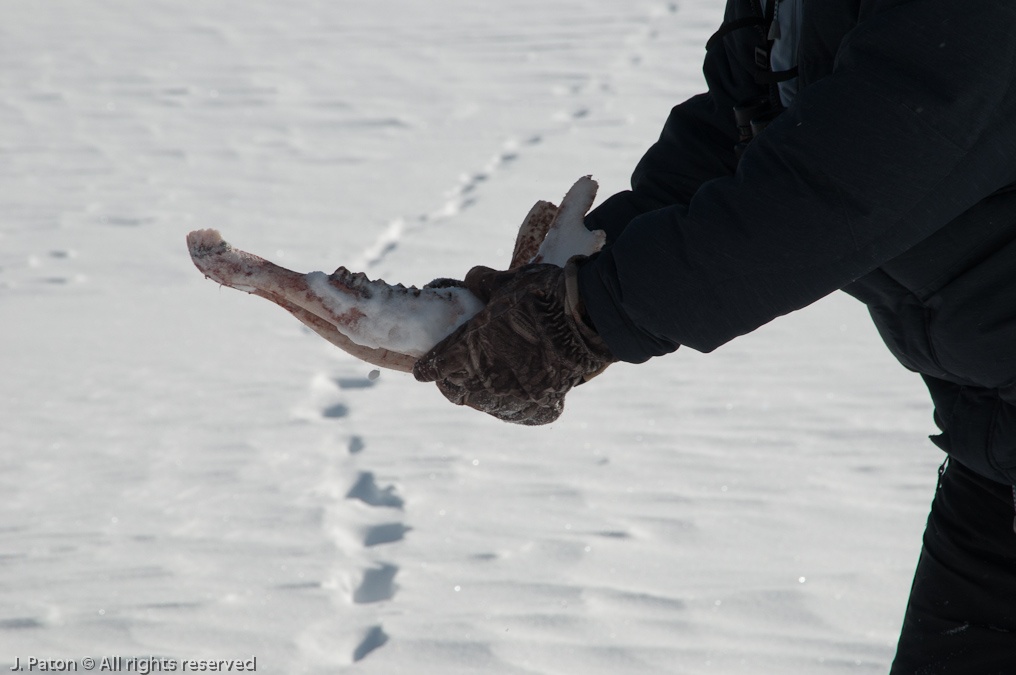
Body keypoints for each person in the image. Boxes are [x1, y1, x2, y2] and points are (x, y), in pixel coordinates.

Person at [413, 0, 1016, 671]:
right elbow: (744, 121)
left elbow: (845, 176)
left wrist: (590, 312)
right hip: (990, 441)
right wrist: (575, 273)